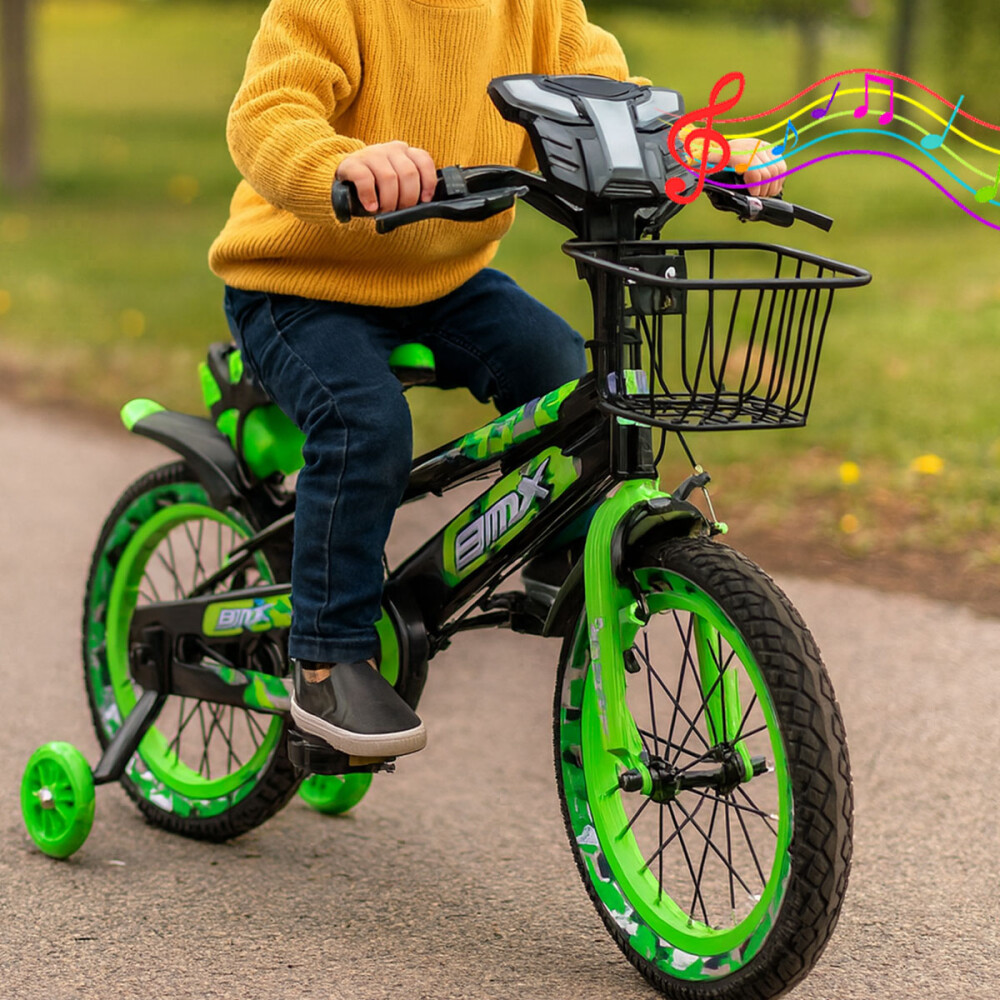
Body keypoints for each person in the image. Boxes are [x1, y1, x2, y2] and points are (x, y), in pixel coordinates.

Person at [209, 0, 784, 761]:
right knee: (364, 424)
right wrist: (341, 162)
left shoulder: (538, 7)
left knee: (559, 371)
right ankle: (327, 655)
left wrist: (703, 153)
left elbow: (614, 103)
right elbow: (269, 114)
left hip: (442, 276)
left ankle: (560, 547)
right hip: (299, 282)